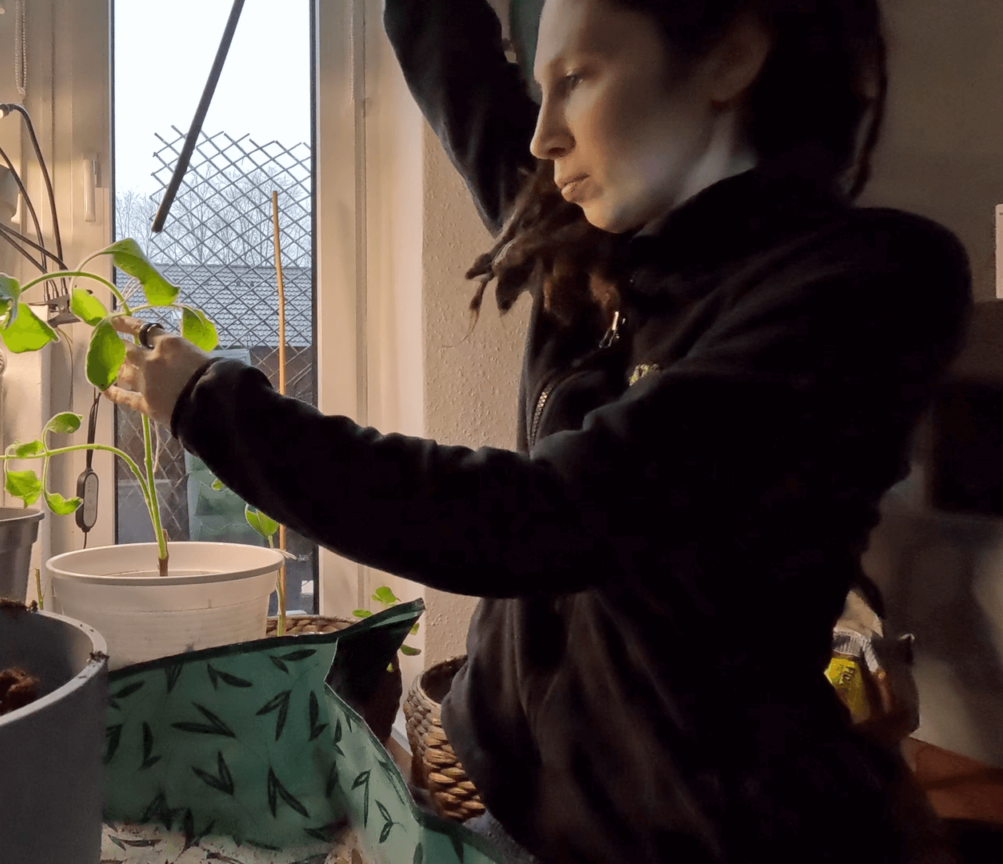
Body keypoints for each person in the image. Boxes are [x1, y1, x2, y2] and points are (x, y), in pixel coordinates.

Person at [104, 0, 973, 860]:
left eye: (578, 79)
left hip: (707, 835)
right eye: (541, 88)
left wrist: (212, 405)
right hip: (506, 808)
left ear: (731, 56)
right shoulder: (590, 246)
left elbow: (544, 518)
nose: (541, 135)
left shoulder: (872, 279)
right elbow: (455, 61)